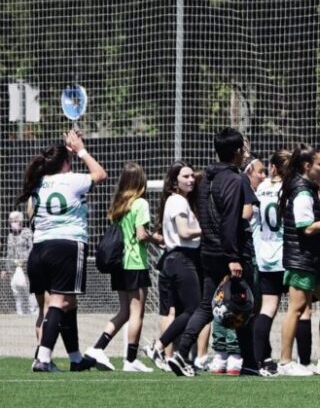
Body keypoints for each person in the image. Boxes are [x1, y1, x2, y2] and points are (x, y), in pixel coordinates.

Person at [166, 128, 257, 377]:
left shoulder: (206, 177)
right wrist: (234, 257)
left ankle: (181, 353)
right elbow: (229, 221)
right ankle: (249, 363)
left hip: (208, 251)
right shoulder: (235, 180)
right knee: (243, 305)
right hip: (229, 253)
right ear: (238, 151)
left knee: (206, 306)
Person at [22, 130, 107, 372]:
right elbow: (100, 174)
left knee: (68, 302)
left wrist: (67, 154)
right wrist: (80, 149)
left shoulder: (39, 182)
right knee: (60, 301)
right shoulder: (72, 180)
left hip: (39, 250)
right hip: (66, 245)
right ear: (66, 163)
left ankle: (76, 358)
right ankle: (44, 358)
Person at [277, 144, 320, 376]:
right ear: (307, 166)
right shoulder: (302, 192)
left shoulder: (309, 189)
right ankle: (285, 362)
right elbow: (305, 228)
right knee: (297, 309)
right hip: (302, 260)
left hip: (316, 260)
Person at [85, 163, 161, 372]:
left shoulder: (119, 205)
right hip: (135, 263)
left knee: (125, 311)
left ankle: (98, 347)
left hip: (119, 263)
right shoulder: (140, 204)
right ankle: (130, 360)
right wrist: (157, 239)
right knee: (137, 312)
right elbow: (141, 235)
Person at [143, 162, 202, 372]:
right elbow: (184, 232)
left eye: (192, 176)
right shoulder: (177, 201)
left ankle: (178, 357)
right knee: (194, 309)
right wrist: (207, 229)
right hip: (181, 259)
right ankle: (158, 346)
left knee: (180, 313)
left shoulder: (178, 201)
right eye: (185, 176)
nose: (191, 179)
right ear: (174, 181)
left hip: (176, 259)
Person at [251, 149, 289, 375]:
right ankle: (290, 359)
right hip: (286, 254)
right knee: (300, 309)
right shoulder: (289, 189)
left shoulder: (261, 188)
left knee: (267, 308)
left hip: (265, 254)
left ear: (273, 168)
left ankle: (260, 358)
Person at [5, 212, 37, 316]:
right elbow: (9, 253)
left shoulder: (27, 232)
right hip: (14, 268)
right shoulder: (10, 236)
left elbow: (32, 248)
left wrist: (24, 260)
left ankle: (33, 311)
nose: (13, 223)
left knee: (29, 289)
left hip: (26, 266)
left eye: (15, 221)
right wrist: (6, 268)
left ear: (21, 222)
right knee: (16, 290)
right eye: (11, 221)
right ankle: (20, 312)